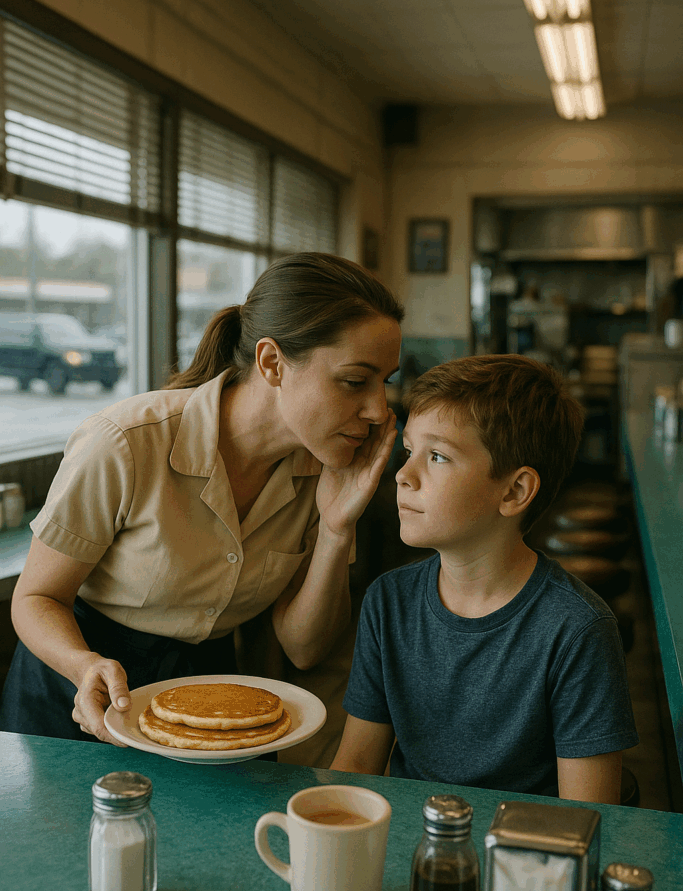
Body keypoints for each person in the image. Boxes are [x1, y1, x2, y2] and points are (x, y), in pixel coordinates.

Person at [0, 252, 403, 745]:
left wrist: (336, 529)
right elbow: (36, 597)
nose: (379, 410)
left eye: (386, 382)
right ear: (272, 363)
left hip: (211, 687)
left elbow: (304, 649)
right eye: (355, 382)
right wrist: (81, 665)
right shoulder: (126, 442)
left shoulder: (327, 468)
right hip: (80, 688)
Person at [330, 355, 638, 804]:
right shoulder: (388, 602)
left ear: (514, 492)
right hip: (407, 850)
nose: (403, 475)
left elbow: (585, 817)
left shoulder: (577, 630)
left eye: (437, 456)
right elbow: (356, 766)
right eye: (408, 451)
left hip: (522, 861)